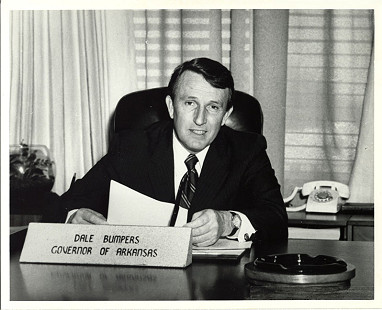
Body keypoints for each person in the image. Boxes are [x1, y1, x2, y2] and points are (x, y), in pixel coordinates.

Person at [56, 57, 288, 246]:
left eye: (213, 107)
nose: (200, 119)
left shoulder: (247, 151)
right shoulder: (133, 146)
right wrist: (73, 217)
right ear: (171, 107)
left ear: (226, 116)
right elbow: (65, 205)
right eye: (190, 103)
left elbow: (277, 220)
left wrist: (229, 222)